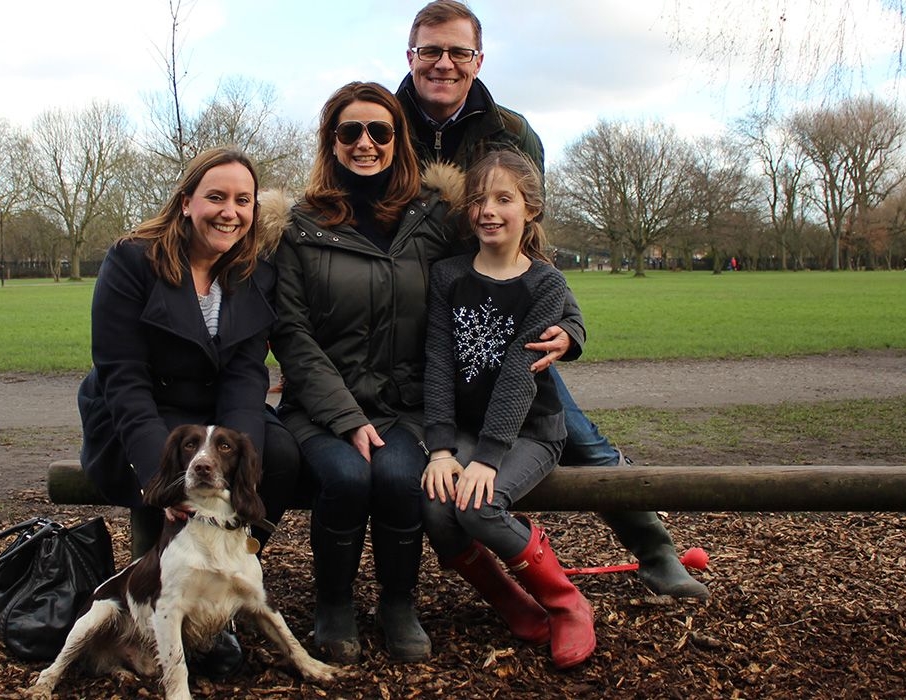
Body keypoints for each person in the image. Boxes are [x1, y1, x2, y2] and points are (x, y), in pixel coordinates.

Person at [397, 0, 708, 599]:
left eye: (458, 52)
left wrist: (570, 324)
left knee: (573, 432)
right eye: (430, 51)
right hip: (418, 308)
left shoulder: (509, 132)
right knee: (416, 449)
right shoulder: (382, 122)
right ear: (411, 56)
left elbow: (532, 240)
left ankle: (654, 550)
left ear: (478, 59)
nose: (443, 63)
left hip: (504, 312)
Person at [76, 147, 300, 678]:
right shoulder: (132, 260)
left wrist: (236, 466)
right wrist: (168, 478)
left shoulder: (252, 271)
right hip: (137, 414)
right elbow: (122, 377)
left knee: (285, 459)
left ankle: (217, 603)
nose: (230, 212)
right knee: (171, 487)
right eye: (216, 197)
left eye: (243, 201)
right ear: (185, 203)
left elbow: (247, 374)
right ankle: (157, 611)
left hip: (212, 418)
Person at [267, 81, 464, 664]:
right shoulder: (301, 229)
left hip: (404, 406)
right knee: (349, 479)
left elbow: (508, 263)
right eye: (350, 131)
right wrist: (345, 416)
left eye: (380, 130)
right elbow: (292, 334)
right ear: (332, 141)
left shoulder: (433, 220)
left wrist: (566, 325)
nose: (365, 143)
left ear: (398, 139)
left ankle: (399, 602)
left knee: (401, 477)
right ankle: (334, 603)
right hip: (322, 410)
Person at [422, 149, 594, 669]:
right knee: (435, 504)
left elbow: (521, 376)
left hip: (530, 433)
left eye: (504, 199)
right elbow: (437, 362)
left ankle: (566, 604)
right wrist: (441, 449)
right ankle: (508, 599)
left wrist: (488, 457)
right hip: (468, 434)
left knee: (478, 506)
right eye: (478, 199)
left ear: (530, 210)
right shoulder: (448, 275)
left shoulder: (545, 284)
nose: (488, 210)